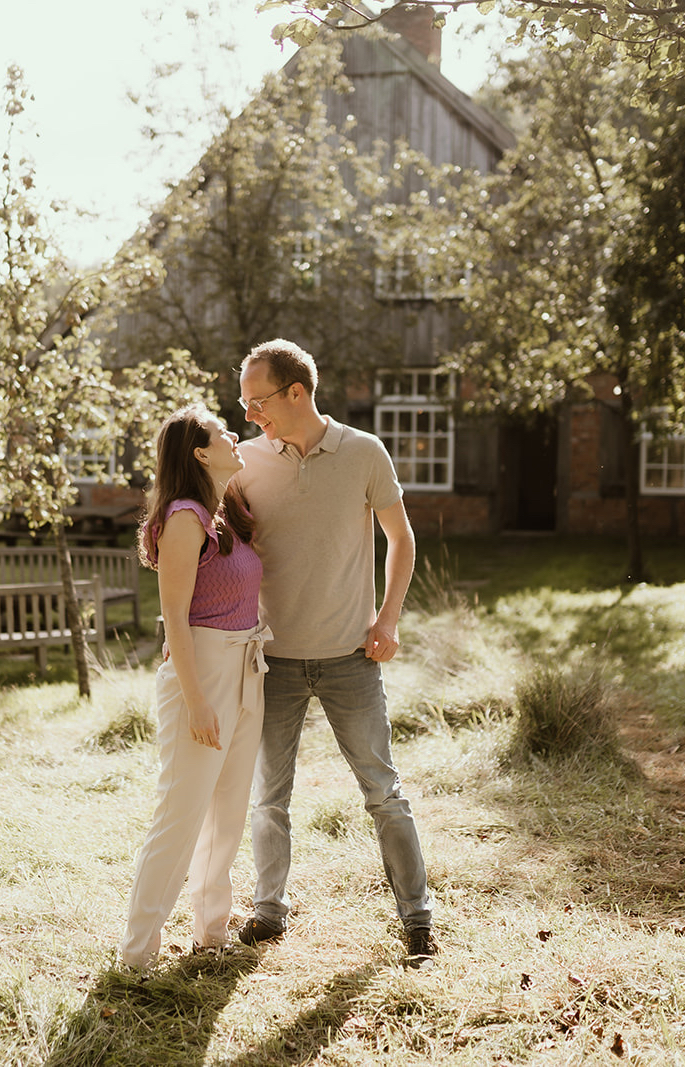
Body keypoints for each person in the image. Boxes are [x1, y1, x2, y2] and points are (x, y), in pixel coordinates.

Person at [232, 338, 437, 965]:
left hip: (353, 654)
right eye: (243, 403)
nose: (248, 415)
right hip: (272, 659)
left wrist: (389, 619)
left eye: (258, 401)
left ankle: (418, 915)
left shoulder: (364, 453)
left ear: (297, 392)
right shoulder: (241, 462)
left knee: (383, 790)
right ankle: (270, 909)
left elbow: (400, 538)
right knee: (269, 795)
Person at [119, 404, 273, 969]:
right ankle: (137, 954)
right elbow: (174, 618)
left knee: (228, 808)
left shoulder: (221, 510)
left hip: (244, 664)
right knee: (181, 813)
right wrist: (197, 700)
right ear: (199, 453)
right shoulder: (185, 518)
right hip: (201, 671)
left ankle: (210, 933)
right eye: (221, 432)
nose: (236, 435)